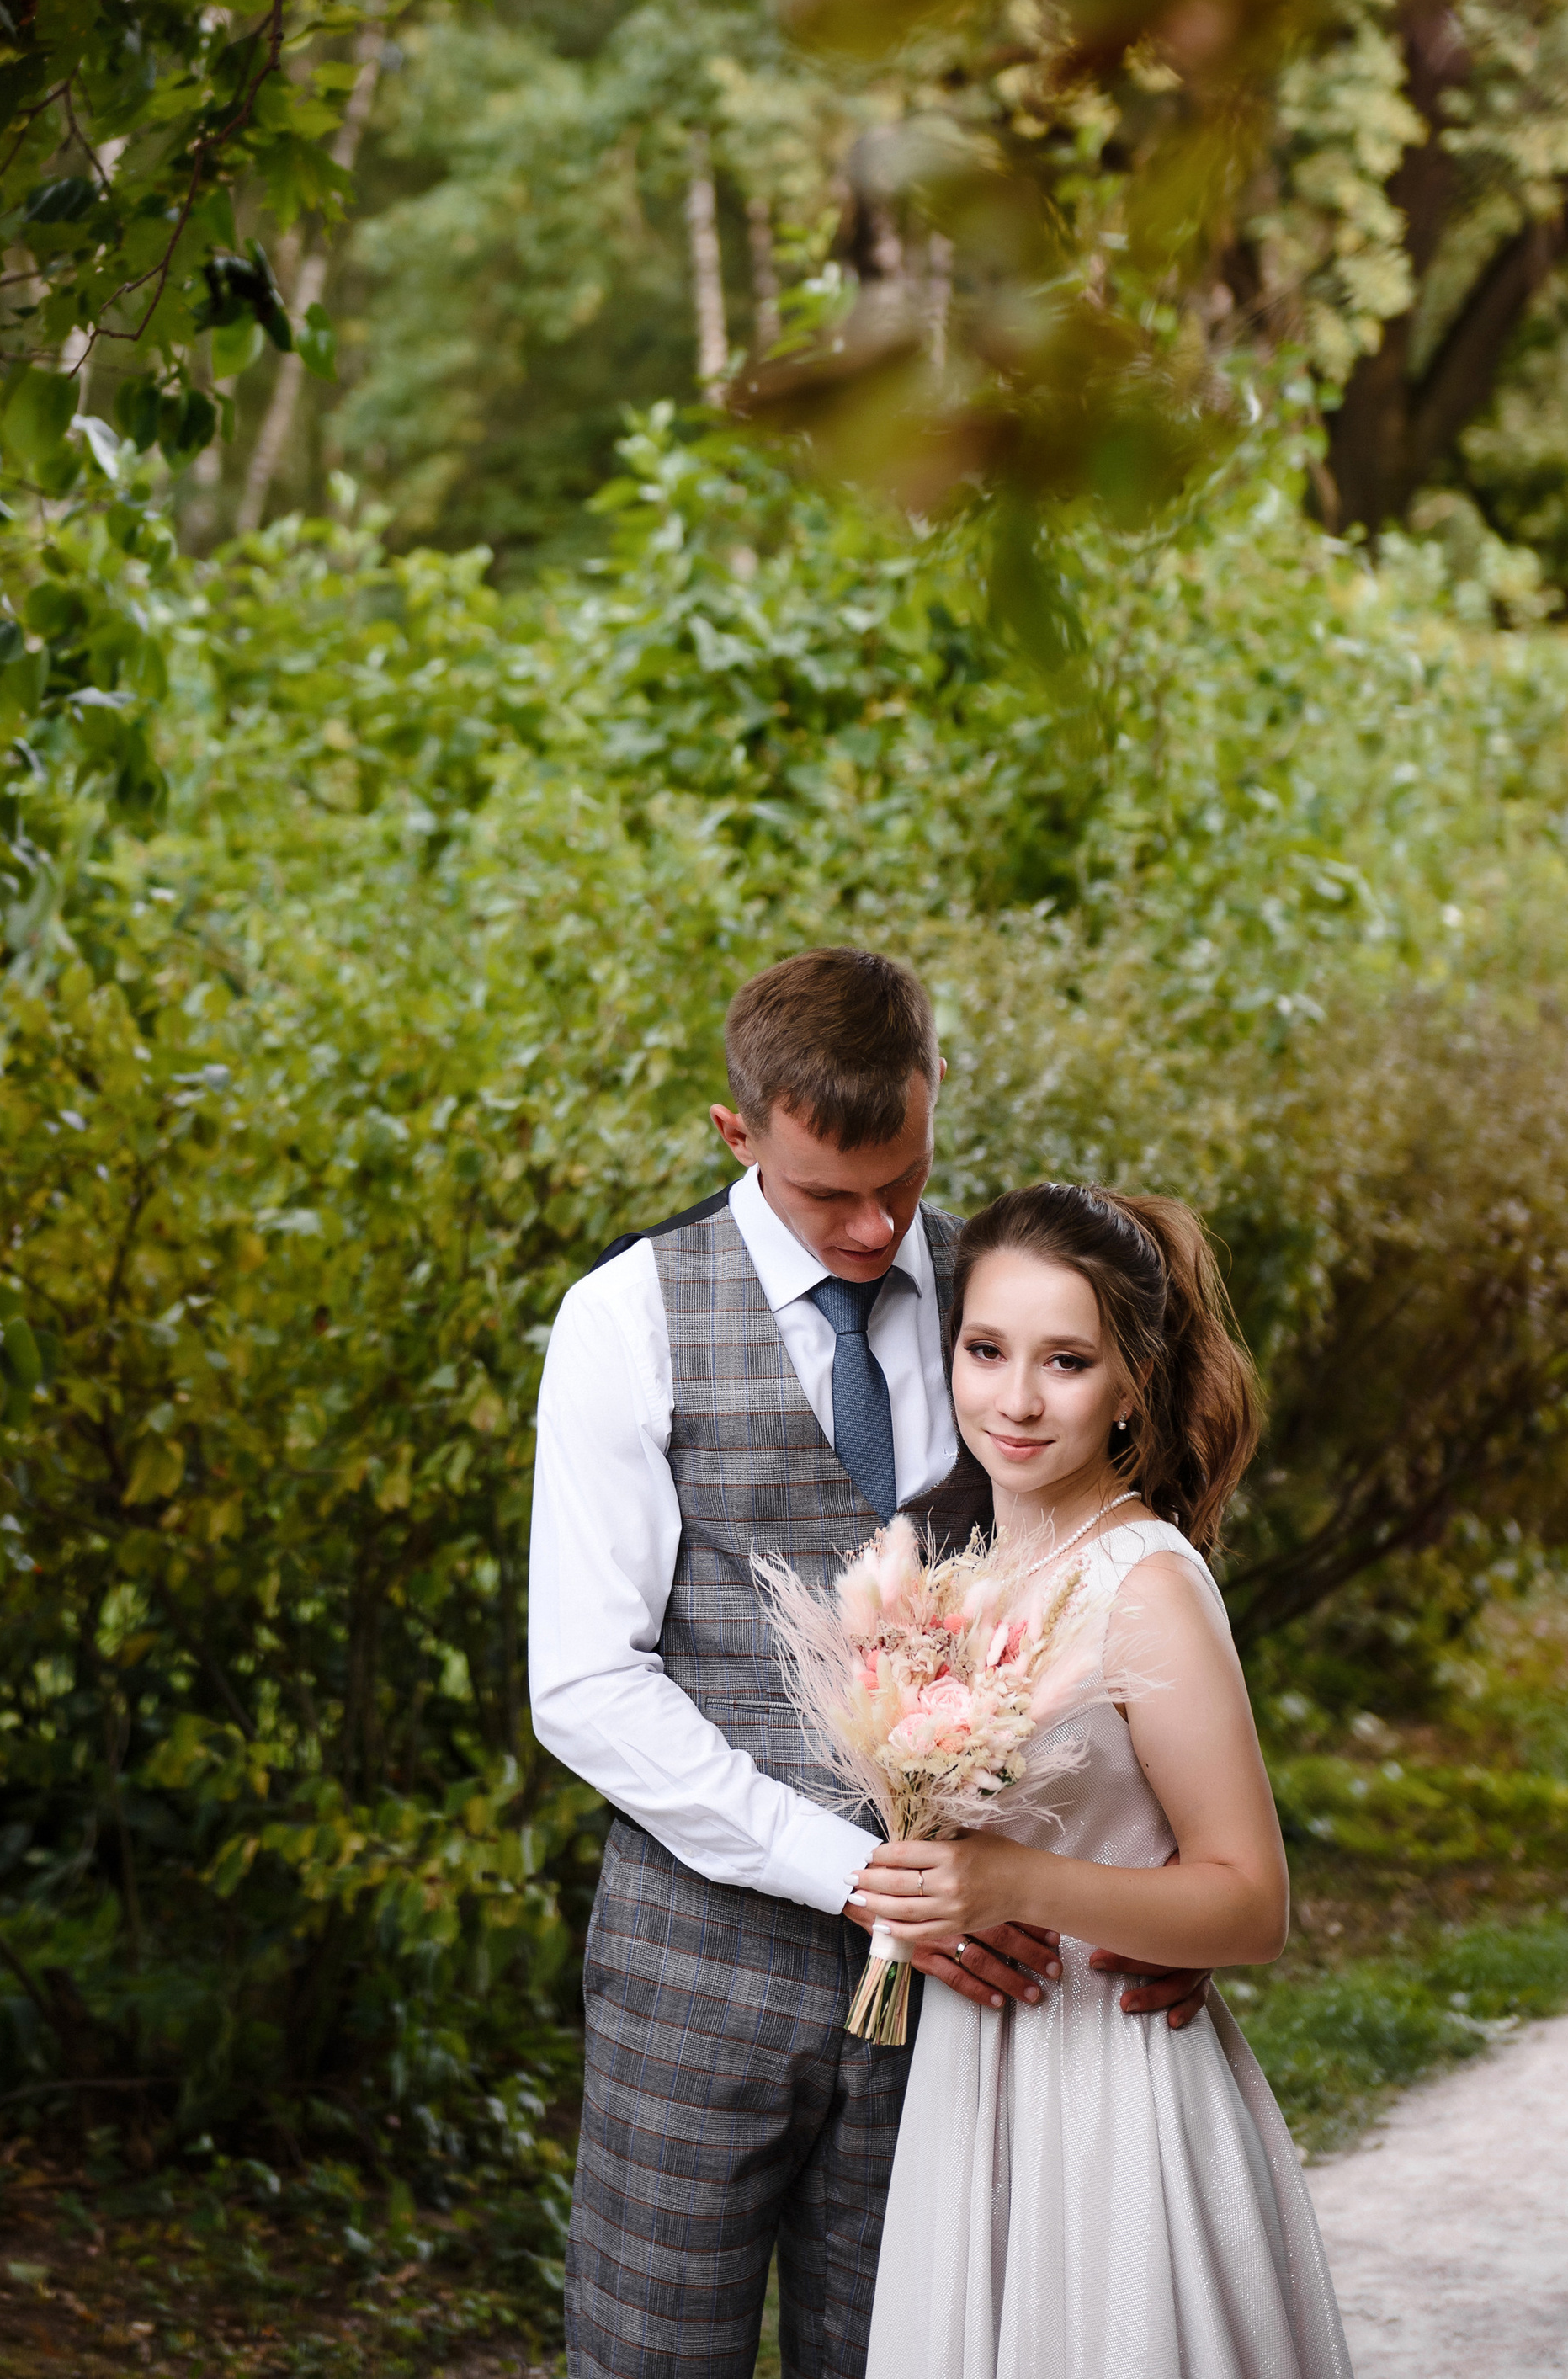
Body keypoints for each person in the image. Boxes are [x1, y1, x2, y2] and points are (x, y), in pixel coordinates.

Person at [529, 952, 1209, 2379]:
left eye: (901, 1178)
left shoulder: (1005, 1310)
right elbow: (586, 1685)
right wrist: (851, 1876)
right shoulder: (630, 1317)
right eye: (827, 1191)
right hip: (694, 1974)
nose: (873, 1223)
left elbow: (1097, 1598)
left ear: (936, 1091)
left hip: (965, 2009)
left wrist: (1149, 1910)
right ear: (736, 1133)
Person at [859, 1181, 1353, 2379]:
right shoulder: (951, 1570)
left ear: (1132, 1380)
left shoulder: (1144, 1584)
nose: (1015, 1400)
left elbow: (1249, 1901)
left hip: (1108, 2092)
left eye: (1067, 1362)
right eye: (986, 1350)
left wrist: (1018, 1879)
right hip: (974, 2083)